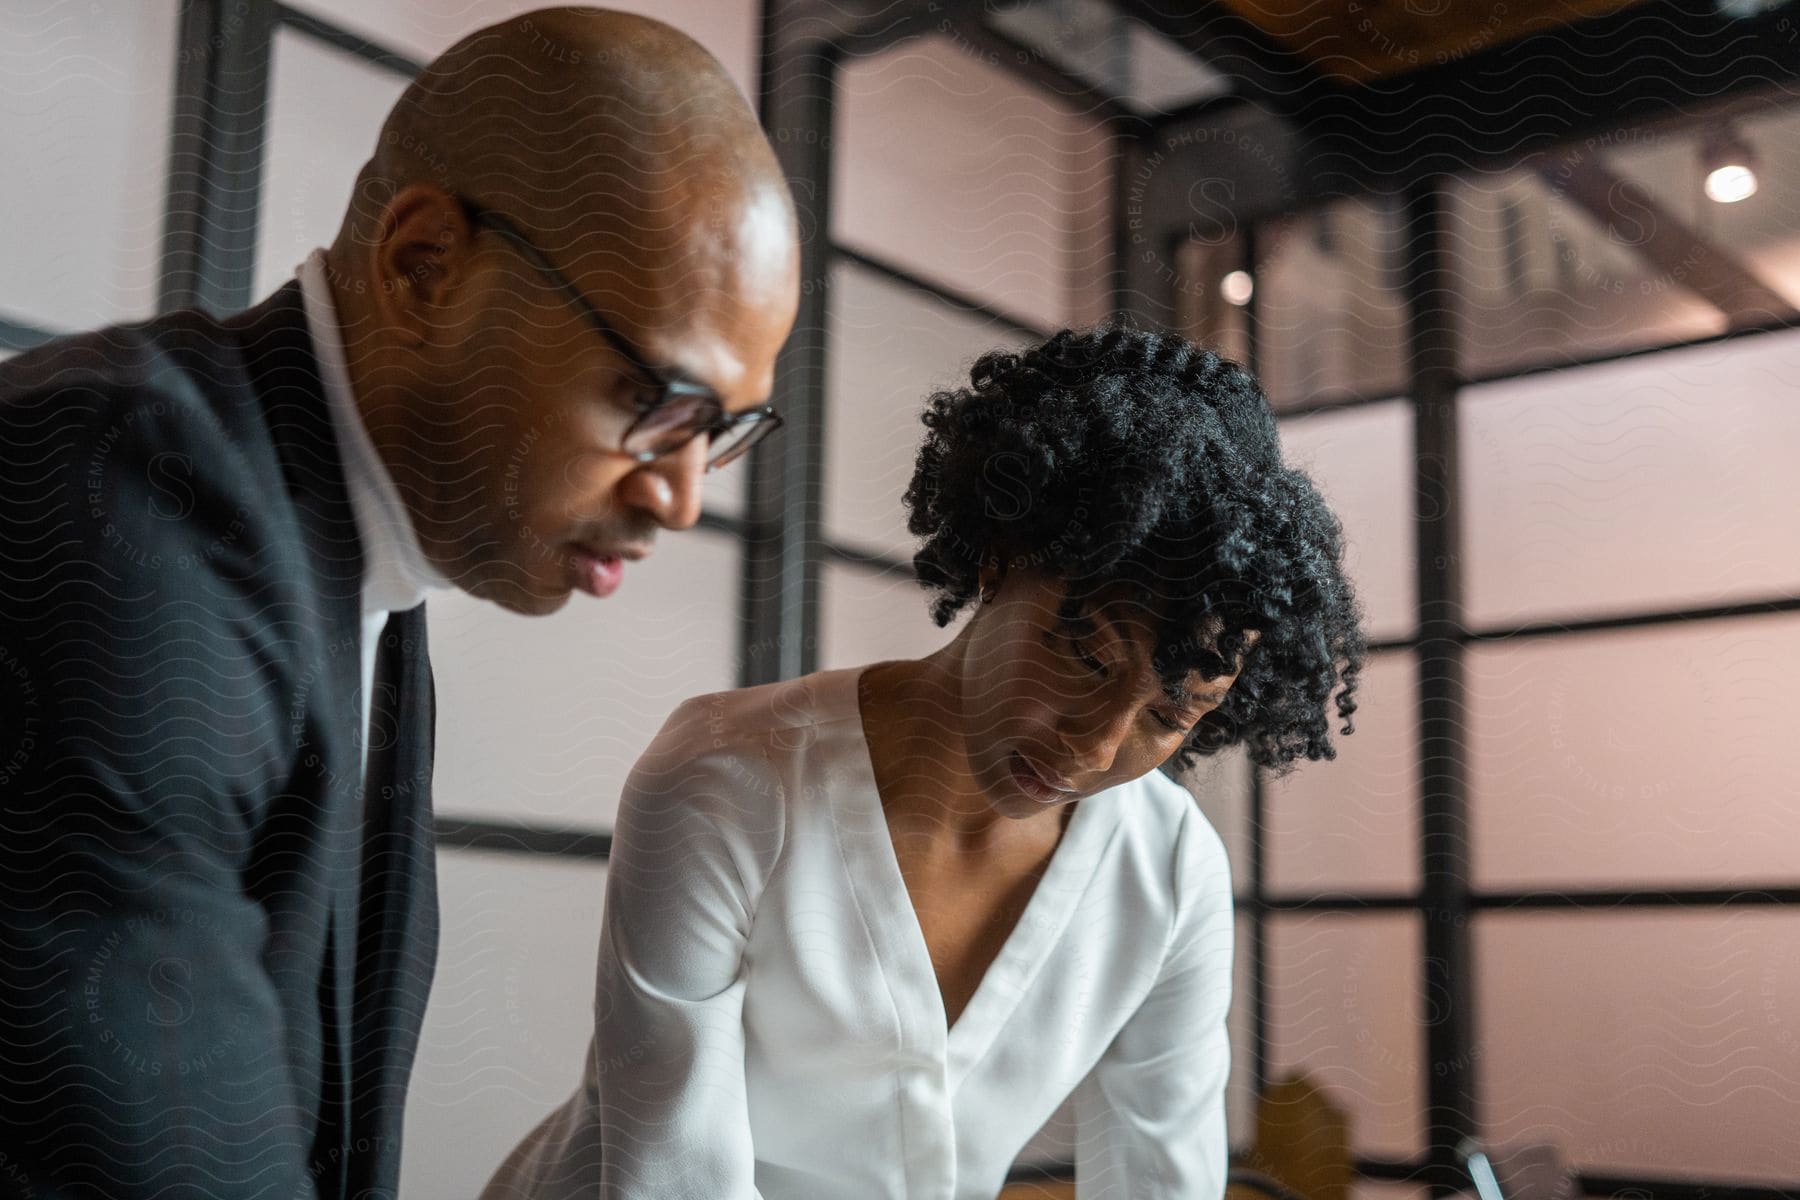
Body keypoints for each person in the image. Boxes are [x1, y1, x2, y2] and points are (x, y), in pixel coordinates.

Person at [0, 8, 798, 1198]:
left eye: (722, 435)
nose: (682, 502)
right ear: (425, 263)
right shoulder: (125, 483)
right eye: (660, 403)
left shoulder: (366, 562)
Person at [482, 327, 1366, 1199]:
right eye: (1087, 660)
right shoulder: (726, 781)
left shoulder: (1170, 873)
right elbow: (674, 1175)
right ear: (998, 559)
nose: (1097, 746)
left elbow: (1161, 1177)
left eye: (1171, 714)